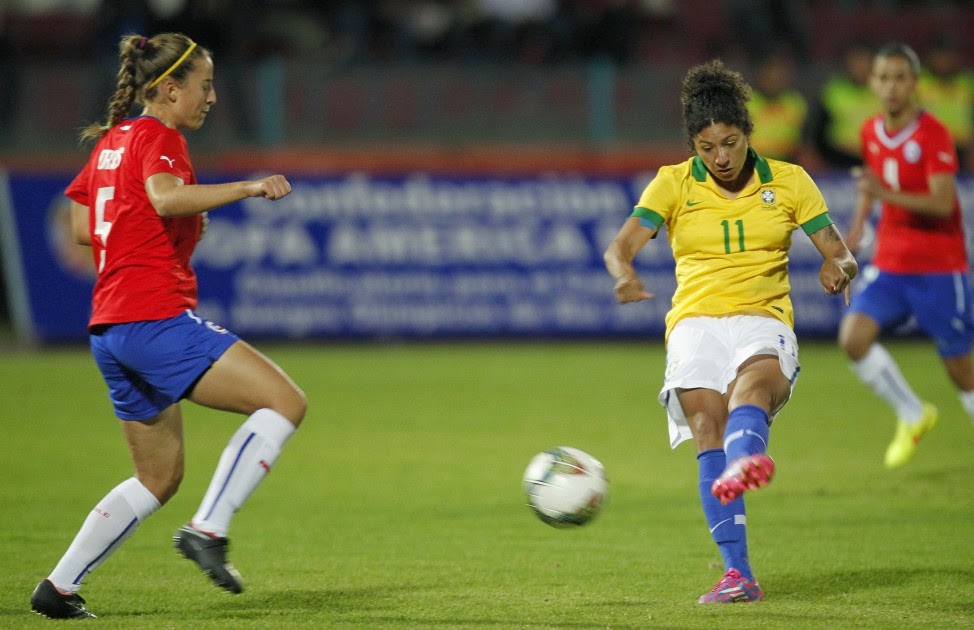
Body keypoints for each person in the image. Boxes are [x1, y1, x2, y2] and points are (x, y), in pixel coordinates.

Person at [30, 32, 307, 620]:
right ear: (169, 88)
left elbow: (83, 227)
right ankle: (209, 530)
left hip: (110, 329)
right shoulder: (159, 137)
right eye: (204, 86)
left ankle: (58, 587)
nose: (211, 98)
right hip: (153, 316)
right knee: (283, 402)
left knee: (157, 477)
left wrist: (166, 227)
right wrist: (248, 187)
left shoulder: (113, 141)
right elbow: (161, 198)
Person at [603, 59, 857, 604]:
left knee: (753, 389)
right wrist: (624, 273)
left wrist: (839, 268)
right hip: (694, 322)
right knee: (704, 424)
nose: (719, 157)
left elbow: (839, 250)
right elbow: (620, 245)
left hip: (763, 317)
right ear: (694, 146)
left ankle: (745, 461)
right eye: (706, 146)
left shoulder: (790, 181)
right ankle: (738, 574)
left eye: (730, 142)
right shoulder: (672, 183)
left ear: (748, 132)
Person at [838, 42, 974, 470]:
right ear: (873, 83)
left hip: (939, 266)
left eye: (900, 78)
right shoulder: (869, 131)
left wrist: (881, 194)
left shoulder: (933, 134)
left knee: (961, 371)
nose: (891, 86)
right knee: (853, 338)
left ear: (914, 84)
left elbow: (940, 202)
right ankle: (913, 413)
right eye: (884, 78)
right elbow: (873, 183)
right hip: (892, 264)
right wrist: (860, 223)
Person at [807, 40, 877, 169]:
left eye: (864, 62)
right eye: (855, 63)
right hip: (839, 163)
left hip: (878, 163)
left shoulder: (885, 91)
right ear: (846, 64)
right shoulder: (834, 91)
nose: (860, 68)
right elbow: (818, 131)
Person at [917, 36, 974, 171]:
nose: (944, 61)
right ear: (931, 57)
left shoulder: (968, 83)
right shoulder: (918, 83)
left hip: (963, 151)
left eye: (949, 56)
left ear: (957, 58)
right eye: (940, 56)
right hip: (927, 149)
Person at [746, 51, 809, 163]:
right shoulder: (746, 102)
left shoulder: (795, 102)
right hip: (752, 162)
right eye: (770, 76)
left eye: (780, 76)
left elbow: (802, 138)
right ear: (761, 75)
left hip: (787, 161)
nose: (775, 80)